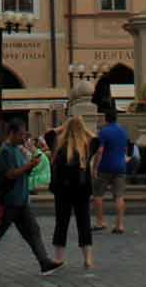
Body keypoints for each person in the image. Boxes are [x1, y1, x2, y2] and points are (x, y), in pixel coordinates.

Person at [0, 117, 59, 276]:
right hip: (9, 201)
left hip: (21, 200)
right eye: (21, 134)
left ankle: (44, 262)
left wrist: (29, 165)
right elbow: (10, 174)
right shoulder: (5, 151)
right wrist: (29, 165)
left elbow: (21, 171)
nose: (23, 138)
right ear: (12, 133)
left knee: (33, 230)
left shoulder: (17, 150)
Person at [47, 115, 95, 270]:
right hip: (82, 190)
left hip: (63, 190)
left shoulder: (59, 145)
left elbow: (47, 135)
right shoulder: (87, 146)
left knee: (61, 223)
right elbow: (98, 139)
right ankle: (87, 258)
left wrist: (64, 127)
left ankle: (59, 258)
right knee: (84, 223)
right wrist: (83, 128)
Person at [92, 111, 132, 235]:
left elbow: (100, 151)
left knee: (98, 194)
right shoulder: (123, 132)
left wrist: (94, 167)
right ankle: (119, 224)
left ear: (106, 119)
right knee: (119, 196)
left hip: (105, 166)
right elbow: (125, 150)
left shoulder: (103, 132)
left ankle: (100, 222)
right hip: (120, 167)